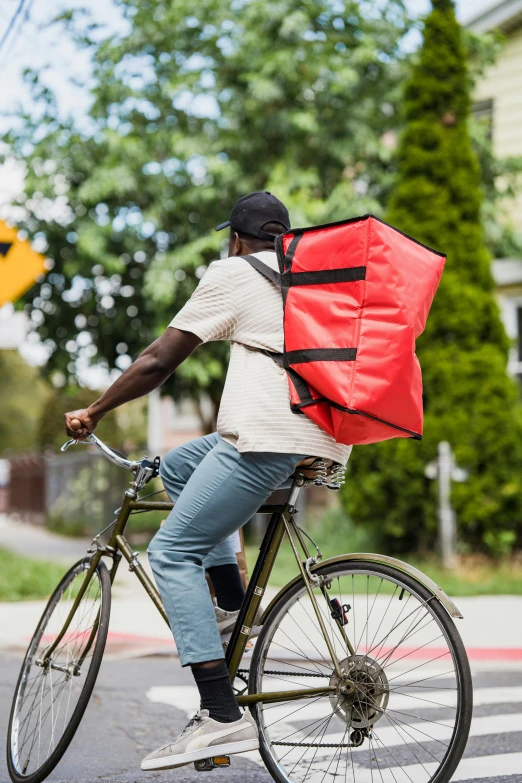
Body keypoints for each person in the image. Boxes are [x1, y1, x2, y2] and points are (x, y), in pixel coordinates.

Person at [64, 191, 351, 771]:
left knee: (170, 554)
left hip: (265, 435)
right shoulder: (316, 279)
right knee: (179, 464)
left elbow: (158, 361)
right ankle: (231, 613)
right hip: (321, 437)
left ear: (238, 238)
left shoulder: (235, 272)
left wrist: (95, 410)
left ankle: (220, 715)